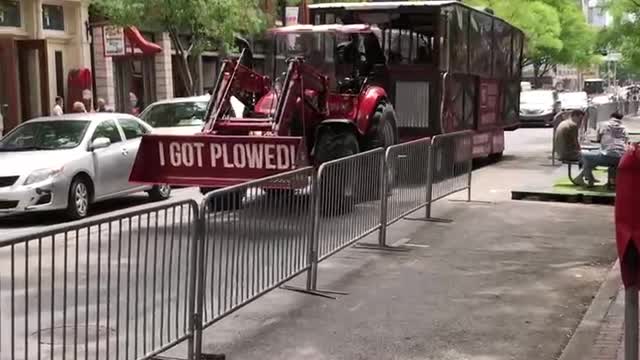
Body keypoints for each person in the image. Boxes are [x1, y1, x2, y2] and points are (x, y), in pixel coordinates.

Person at [580, 112, 629, 186]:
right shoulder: (624, 128)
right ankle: (610, 182)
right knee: (611, 160)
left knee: (583, 155)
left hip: (607, 156)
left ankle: (589, 179)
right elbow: (626, 141)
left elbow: (598, 139)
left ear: (610, 117)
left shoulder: (604, 124)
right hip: (622, 158)